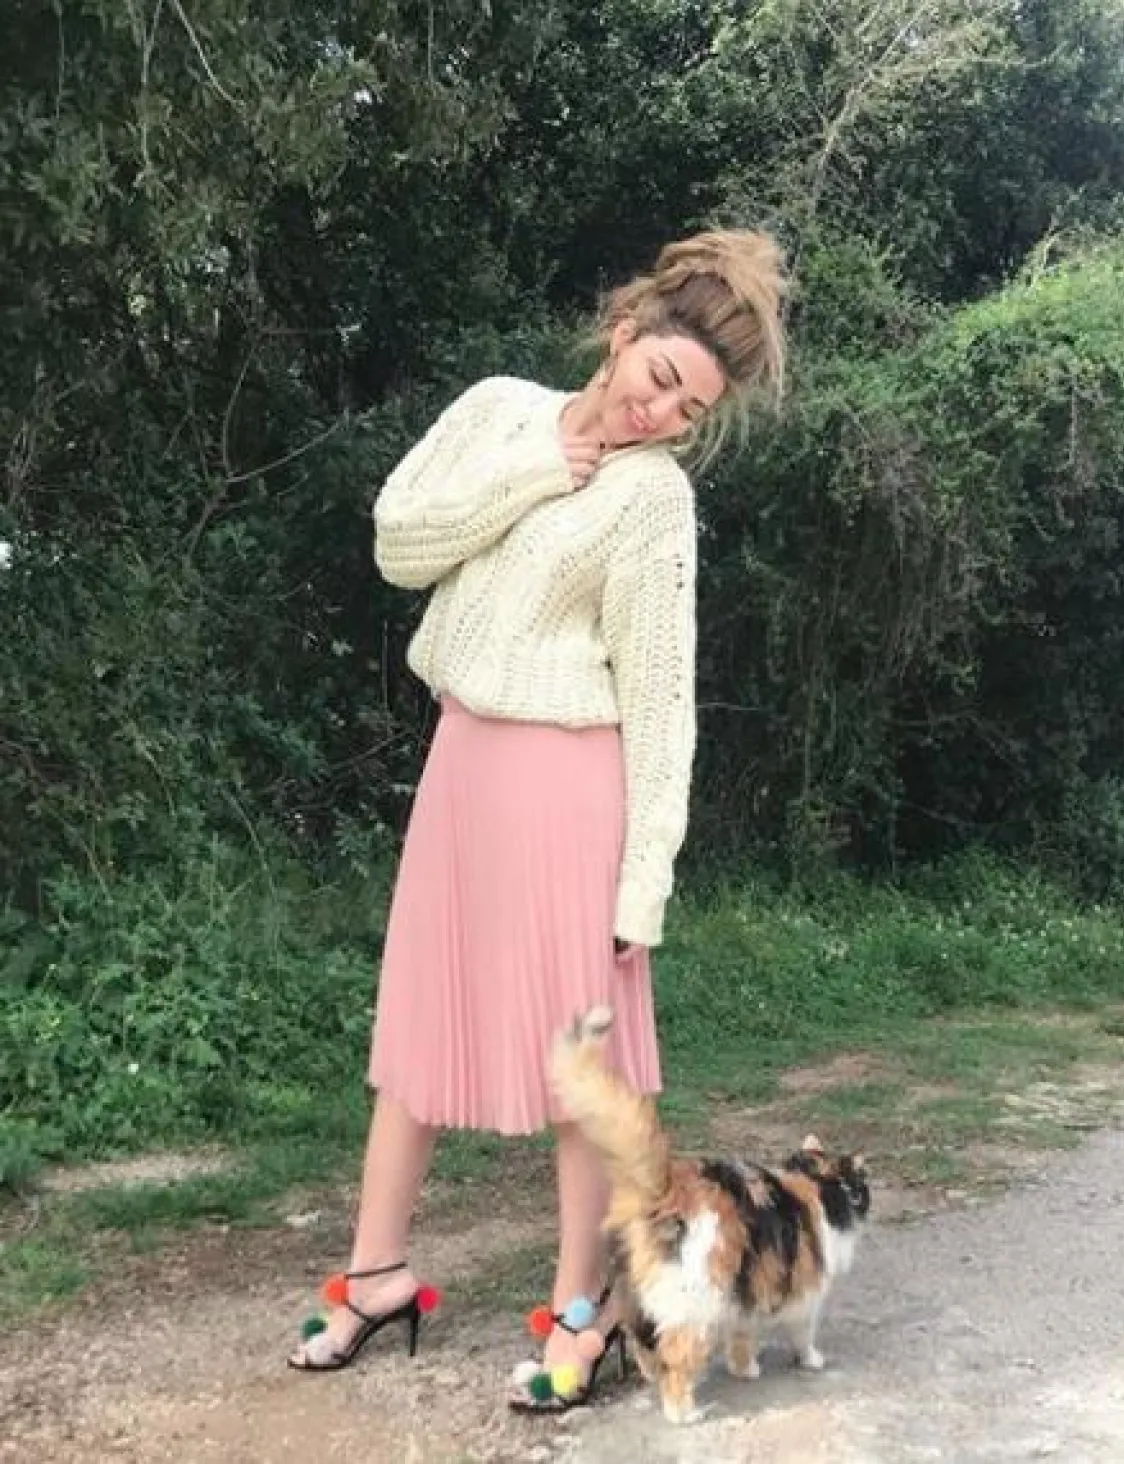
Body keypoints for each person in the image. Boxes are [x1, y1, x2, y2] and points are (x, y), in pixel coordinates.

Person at [287, 229, 787, 1408]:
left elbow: (661, 704)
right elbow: (399, 544)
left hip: (572, 791)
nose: (663, 414)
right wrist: (538, 470)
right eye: (660, 378)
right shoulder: (499, 411)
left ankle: (584, 1311)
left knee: (579, 1067)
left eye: (691, 409)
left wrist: (644, 880)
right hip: (462, 765)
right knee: (413, 1036)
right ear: (623, 334)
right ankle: (376, 1275)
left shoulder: (654, 501)